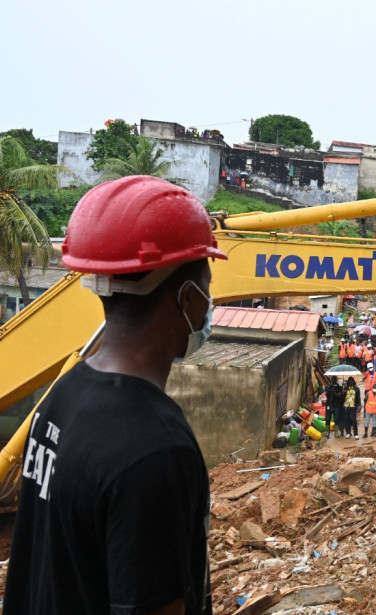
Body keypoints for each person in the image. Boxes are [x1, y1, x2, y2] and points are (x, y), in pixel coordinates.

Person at [5, 176, 224, 613]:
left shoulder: (65, 394)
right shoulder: (156, 448)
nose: (209, 302)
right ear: (187, 298)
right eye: (207, 285)